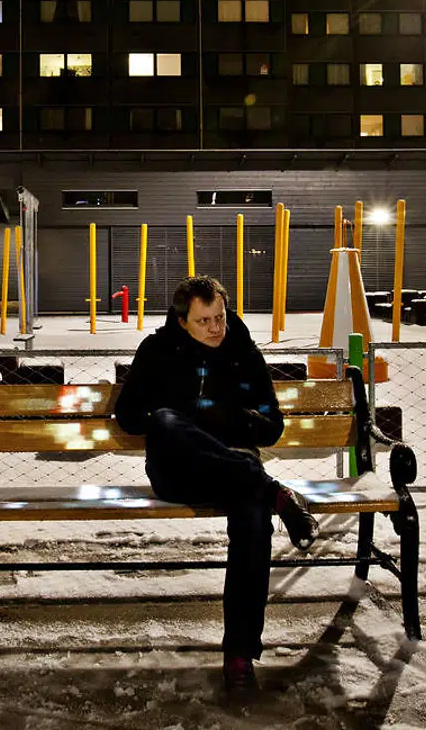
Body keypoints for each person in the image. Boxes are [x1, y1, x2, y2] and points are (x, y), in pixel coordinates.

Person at [113, 275, 319, 693]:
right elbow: (129, 415)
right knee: (170, 422)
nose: (215, 328)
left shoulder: (243, 354)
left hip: (238, 471)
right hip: (179, 470)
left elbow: (272, 426)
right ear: (182, 320)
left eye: (219, 317)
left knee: (254, 523)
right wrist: (172, 416)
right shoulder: (157, 351)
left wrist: (233, 418)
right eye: (204, 320)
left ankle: (240, 654)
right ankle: (273, 491)